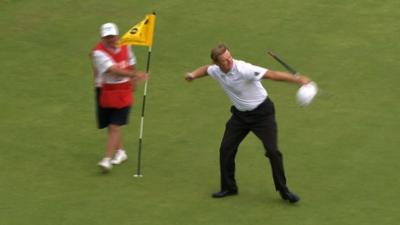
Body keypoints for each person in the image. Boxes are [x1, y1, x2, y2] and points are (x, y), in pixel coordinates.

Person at [185, 44, 313, 203]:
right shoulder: (216, 70)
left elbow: (272, 75)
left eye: (230, 57)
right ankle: (229, 187)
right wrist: (192, 75)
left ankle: (284, 191)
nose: (229, 61)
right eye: (225, 60)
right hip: (240, 117)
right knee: (225, 149)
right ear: (217, 63)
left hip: (262, 115)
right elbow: (205, 69)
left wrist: (298, 79)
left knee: (273, 152)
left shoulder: (244, 69)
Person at [90, 22, 148, 172]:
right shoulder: (98, 53)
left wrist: (134, 81)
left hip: (123, 91)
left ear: (117, 34)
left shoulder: (125, 45)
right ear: (102, 38)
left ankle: (107, 159)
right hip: (104, 90)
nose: (111, 39)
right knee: (109, 124)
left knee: (114, 126)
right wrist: (134, 75)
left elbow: (131, 62)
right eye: (107, 37)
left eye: (113, 36)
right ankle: (120, 152)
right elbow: (113, 69)